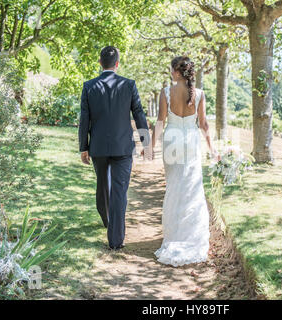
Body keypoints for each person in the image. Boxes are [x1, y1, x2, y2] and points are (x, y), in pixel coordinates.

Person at [78, 46, 150, 250]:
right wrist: (145, 142)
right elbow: (139, 113)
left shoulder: (89, 86)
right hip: (123, 147)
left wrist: (83, 147)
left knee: (103, 187)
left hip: (98, 147)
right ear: (117, 64)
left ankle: (108, 223)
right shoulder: (128, 85)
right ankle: (116, 239)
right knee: (119, 192)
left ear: (100, 62)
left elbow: (85, 119)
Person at [150, 56, 219, 267]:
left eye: (172, 70)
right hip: (190, 142)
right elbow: (204, 124)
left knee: (174, 187)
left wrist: (150, 147)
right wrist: (212, 148)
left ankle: (173, 237)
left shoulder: (166, 92)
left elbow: (160, 122)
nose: (170, 73)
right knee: (191, 188)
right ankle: (191, 238)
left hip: (171, 141)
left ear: (177, 72)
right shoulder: (199, 94)